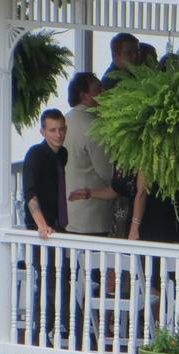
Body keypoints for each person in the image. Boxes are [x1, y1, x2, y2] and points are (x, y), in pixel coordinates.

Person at [22, 109, 71, 343]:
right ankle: (41, 332)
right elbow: (30, 194)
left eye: (61, 129)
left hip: (58, 225)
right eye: (52, 130)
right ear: (43, 131)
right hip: (40, 229)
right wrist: (41, 225)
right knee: (50, 279)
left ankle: (45, 330)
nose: (58, 134)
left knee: (60, 277)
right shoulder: (35, 154)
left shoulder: (62, 155)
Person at [64, 73, 116, 236]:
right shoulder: (93, 128)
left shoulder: (64, 121)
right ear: (83, 95)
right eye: (98, 88)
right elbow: (108, 173)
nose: (103, 92)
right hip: (92, 217)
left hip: (68, 211)